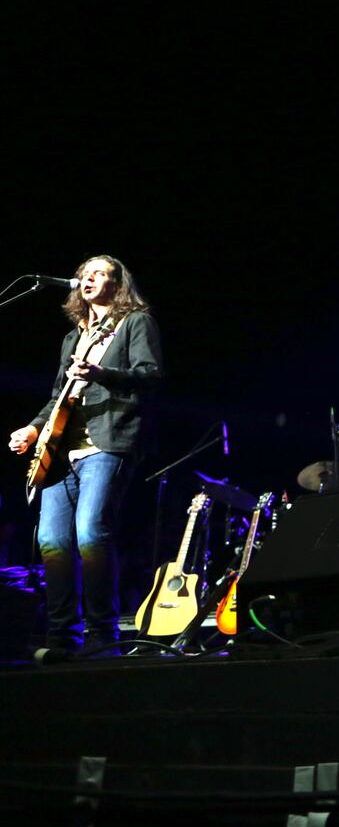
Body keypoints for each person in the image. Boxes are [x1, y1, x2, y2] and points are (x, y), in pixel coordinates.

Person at [8, 255, 164, 656]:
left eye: (99, 273)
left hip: (107, 442)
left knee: (92, 533)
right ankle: (63, 637)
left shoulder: (135, 322)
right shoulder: (73, 336)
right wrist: (33, 429)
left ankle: (102, 634)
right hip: (61, 450)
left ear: (117, 283)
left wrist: (101, 374)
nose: (87, 278)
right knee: (51, 540)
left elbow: (149, 375)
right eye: (84, 274)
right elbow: (58, 397)